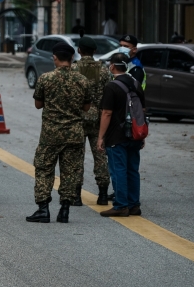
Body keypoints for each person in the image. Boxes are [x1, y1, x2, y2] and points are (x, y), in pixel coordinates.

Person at [26, 42, 91, 224]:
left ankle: (43, 209)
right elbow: (86, 107)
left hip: (51, 134)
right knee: (70, 172)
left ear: (54, 58)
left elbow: (38, 104)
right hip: (74, 133)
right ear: (72, 58)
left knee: (44, 169)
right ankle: (64, 210)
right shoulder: (82, 80)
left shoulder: (46, 79)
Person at [97, 52, 146, 217]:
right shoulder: (136, 83)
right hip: (134, 134)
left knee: (118, 170)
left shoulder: (112, 86)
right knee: (133, 170)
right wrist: (142, 135)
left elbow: (106, 113)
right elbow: (142, 111)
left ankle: (120, 206)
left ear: (112, 66)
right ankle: (134, 205)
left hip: (116, 136)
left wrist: (100, 137)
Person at [71, 35, 111, 206]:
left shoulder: (73, 69)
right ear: (94, 51)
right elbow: (109, 94)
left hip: (78, 118)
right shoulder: (104, 70)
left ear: (79, 50)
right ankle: (102, 194)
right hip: (99, 119)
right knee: (100, 156)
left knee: (76, 158)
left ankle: (76, 196)